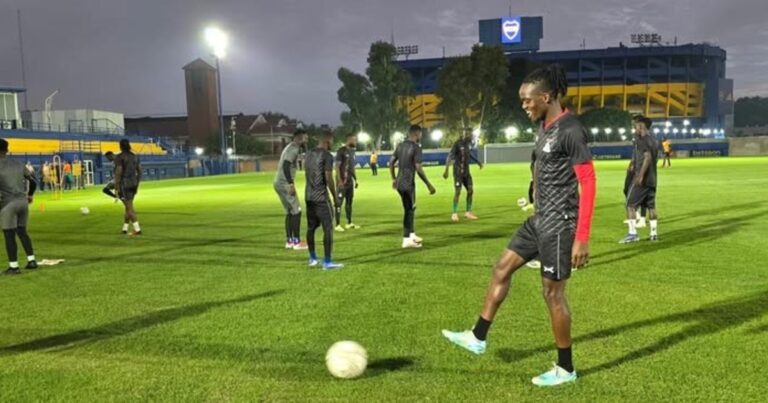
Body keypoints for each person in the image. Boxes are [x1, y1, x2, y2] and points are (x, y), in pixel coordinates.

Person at [441, 64, 596, 387]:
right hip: (538, 220)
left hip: (559, 226)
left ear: (546, 96)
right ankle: (478, 336)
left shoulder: (571, 130)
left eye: (528, 100)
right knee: (501, 268)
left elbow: (589, 182)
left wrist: (581, 238)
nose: (524, 105)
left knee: (552, 294)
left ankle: (566, 369)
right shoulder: (544, 128)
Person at [390, 125, 436, 249]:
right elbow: (418, 167)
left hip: (400, 182)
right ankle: (406, 239)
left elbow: (391, 162)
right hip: (408, 183)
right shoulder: (416, 147)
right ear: (416, 134)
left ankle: (411, 234)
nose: (421, 136)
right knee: (409, 210)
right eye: (420, 134)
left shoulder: (400, 146)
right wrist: (428, 184)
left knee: (410, 208)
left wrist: (394, 179)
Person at [304, 131, 343, 270]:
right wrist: (334, 196)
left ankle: (313, 258)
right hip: (321, 198)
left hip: (309, 197)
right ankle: (327, 262)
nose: (332, 144)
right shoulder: (327, 155)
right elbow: (328, 177)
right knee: (328, 228)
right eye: (332, 141)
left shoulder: (308, 154)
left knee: (311, 228)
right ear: (327, 141)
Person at [0, 139, 38, 275]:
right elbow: (33, 181)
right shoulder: (18, 163)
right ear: (7, 149)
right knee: (22, 232)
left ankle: (14, 267)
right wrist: (30, 195)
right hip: (23, 202)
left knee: (9, 235)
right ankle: (31, 260)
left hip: (8, 204)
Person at [621, 115, 659, 243]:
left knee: (630, 205)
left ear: (642, 126)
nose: (634, 127)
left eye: (636, 125)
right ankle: (654, 234)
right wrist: (632, 162)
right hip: (653, 179)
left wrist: (641, 175)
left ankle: (632, 234)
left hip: (642, 179)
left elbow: (647, 157)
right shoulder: (653, 139)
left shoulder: (642, 140)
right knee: (651, 207)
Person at [273, 130, 309, 250]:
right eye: (305, 138)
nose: (307, 140)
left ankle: (289, 241)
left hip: (278, 182)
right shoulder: (294, 148)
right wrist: (291, 184)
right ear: (300, 138)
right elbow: (286, 165)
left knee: (290, 211)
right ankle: (297, 242)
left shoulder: (289, 147)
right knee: (297, 211)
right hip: (284, 183)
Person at [444, 127, 483, 222]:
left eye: (471, 134)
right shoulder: (457, 144)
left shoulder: (467, 144)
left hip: (466, 172)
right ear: (465, 134)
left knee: (470, 190)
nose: (471, 136)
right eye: (469, 134)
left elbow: (469, 155)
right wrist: (446, 170)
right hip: (458, 173)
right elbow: (450, 156)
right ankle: (454, 213)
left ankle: (468, 212)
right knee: (458, 191)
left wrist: (477, 162)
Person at [114, 139, 142, 236]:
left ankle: (137, 230)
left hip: (124, 184)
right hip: (133, 183)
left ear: (120, 146)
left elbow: (118, 172)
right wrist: (137, 184)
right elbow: (140, 171)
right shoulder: (134, 157)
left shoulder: (119, 157)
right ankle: (125, 229)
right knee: (127, 206)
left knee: (129, 207)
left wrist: (116, 187)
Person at [335, 133, 360, 232]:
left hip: (349, 182)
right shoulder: (341, 151)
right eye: (354, 140)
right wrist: (340, 181)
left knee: (349, 202)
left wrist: (356, 179)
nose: (356, 141)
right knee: (339, 203)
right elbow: (337, 167)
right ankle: (337, 224)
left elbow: (351, 168)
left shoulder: (352, 152)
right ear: (349, 140)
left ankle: (349, 223)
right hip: (342, 183)